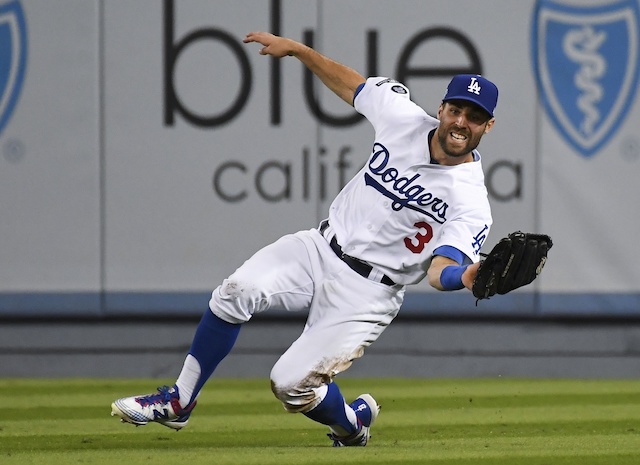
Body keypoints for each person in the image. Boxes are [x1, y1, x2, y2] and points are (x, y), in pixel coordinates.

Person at [111, 31, 498, 447]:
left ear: (487, 126)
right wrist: (299, 51)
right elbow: (352, 84)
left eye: (473, 117)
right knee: (236, 291)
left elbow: (439, 273)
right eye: (455, 109)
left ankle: (350, 426)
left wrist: (470, 275)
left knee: (289, 384)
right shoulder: (402, 116)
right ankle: (179, 400)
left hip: (367, 294)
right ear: (440, 109)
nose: (461, 122)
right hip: (318, 248)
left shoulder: (470, 200)